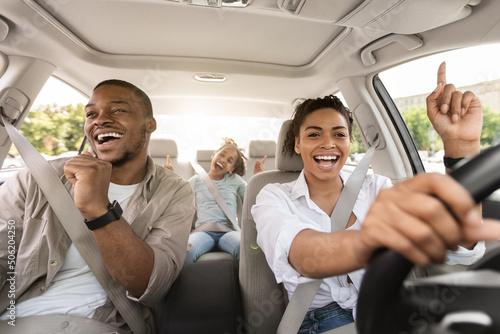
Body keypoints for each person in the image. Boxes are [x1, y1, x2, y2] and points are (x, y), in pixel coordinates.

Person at [251, 63, 500, 333]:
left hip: (386, 306)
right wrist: (375, 240)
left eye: (339, 134)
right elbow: (301, 253)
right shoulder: (272, 196)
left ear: (349, 142)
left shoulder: (376, 187)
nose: (328, 143)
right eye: (314, 134)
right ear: (297, 144)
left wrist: (460, 147)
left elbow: (461, 248)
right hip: (320, 320)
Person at [0, 80, 195, 333]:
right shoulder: (38, 178)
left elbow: (151, 286)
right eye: (91, 114)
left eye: (118, 110)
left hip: (100, 325)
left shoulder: (174, 191)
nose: (99, 120)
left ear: (150, 124)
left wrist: (99, 211)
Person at [164, 138, 266, 263]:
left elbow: (252, 199)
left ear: (231, 169)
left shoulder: (235, 180)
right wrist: (170, 178)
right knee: (185, 251)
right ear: (213, 155)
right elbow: (177, 198)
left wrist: (257, 177)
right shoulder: (196, 180)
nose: (223, 160)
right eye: (222, 155)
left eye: (229, 161)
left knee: (246, 249)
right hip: (202, 232)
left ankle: (248, 283)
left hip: (228, 231)